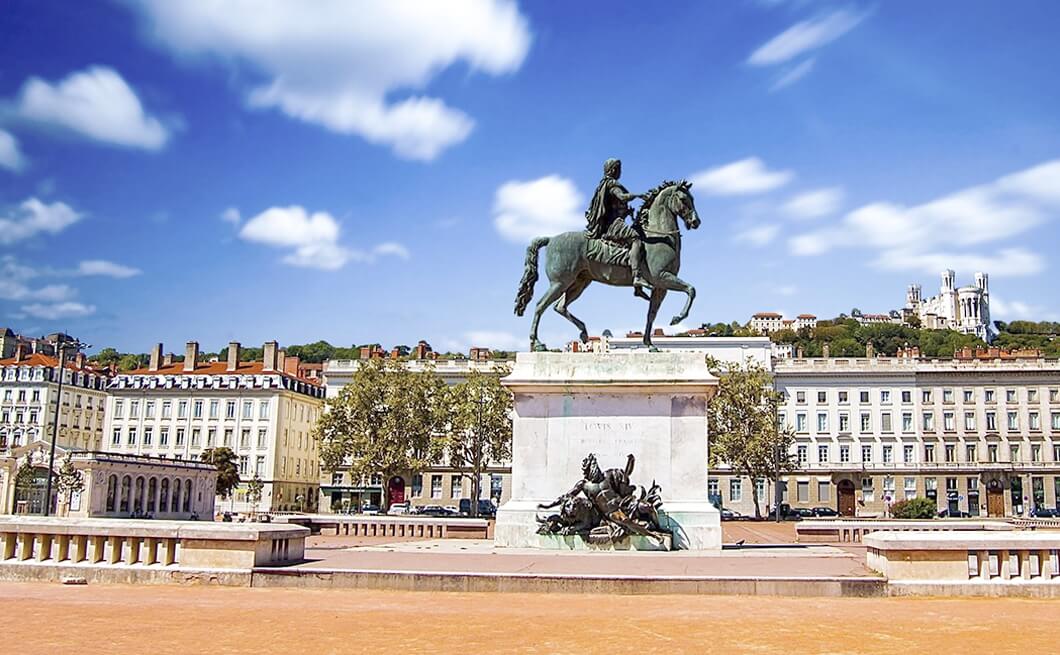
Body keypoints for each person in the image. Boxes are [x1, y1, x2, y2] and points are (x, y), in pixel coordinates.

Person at [584, 158, 651, 299]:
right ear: (614, 169)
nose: (620, 172)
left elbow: (611, 206)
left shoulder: (602, 184)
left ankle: (637, 289)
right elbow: (622, 196)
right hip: (612, 224)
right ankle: (637, 276)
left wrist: (625, 212)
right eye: (619, 169)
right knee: (636, 239)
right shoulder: (611, 184)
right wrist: (638, 195)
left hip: (611, 221)